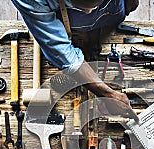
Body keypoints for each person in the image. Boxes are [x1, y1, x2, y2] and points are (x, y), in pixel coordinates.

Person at [11, 0, 139, 120]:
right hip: (67, 16)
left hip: (112, 6)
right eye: (81, 4)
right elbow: (65, 55)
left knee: (122, 9)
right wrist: (108, 95)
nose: (89, 12)